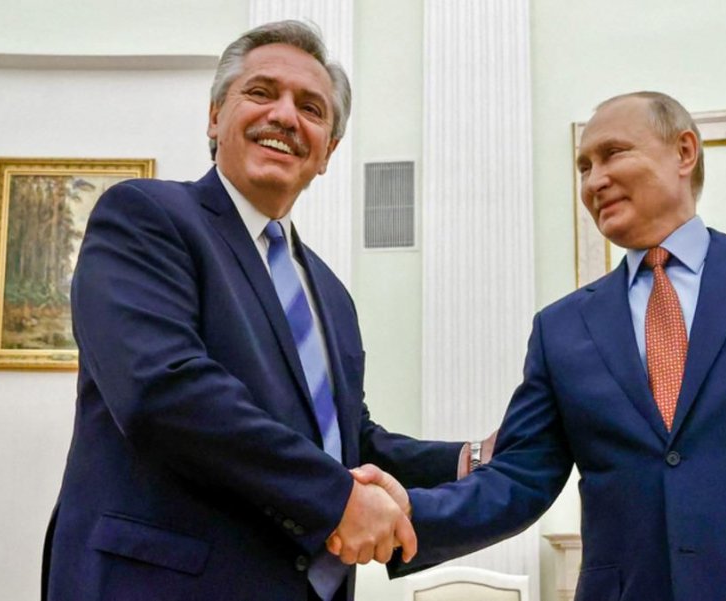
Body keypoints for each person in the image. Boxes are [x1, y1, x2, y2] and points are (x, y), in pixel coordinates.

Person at [367, 91, 726, 600]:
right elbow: (518, 477)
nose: (594, 180)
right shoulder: (561, 328)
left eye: (612, 154)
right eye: (584, 167)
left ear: (684, 152)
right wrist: (403, 513)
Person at [41, 20, 492, 601]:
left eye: (311, 108)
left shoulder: (330, 293)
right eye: (261, 92)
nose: (285, 116)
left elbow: (345, 441)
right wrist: (338, 500)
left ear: (327, 151)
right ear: (214, 117)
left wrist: (466, 460)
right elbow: (165, 391)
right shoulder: (146, 217)